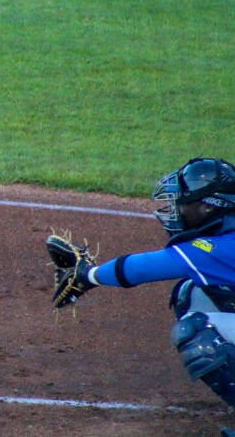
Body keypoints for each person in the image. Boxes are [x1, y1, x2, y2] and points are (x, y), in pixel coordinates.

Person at [56, 157, 235, 426]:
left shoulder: (218, 248)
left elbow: (141, 269)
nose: (177, 207)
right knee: (193, 294)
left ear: (209, 206)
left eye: (184, 201)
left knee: (198, 333)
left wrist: (88, 275)